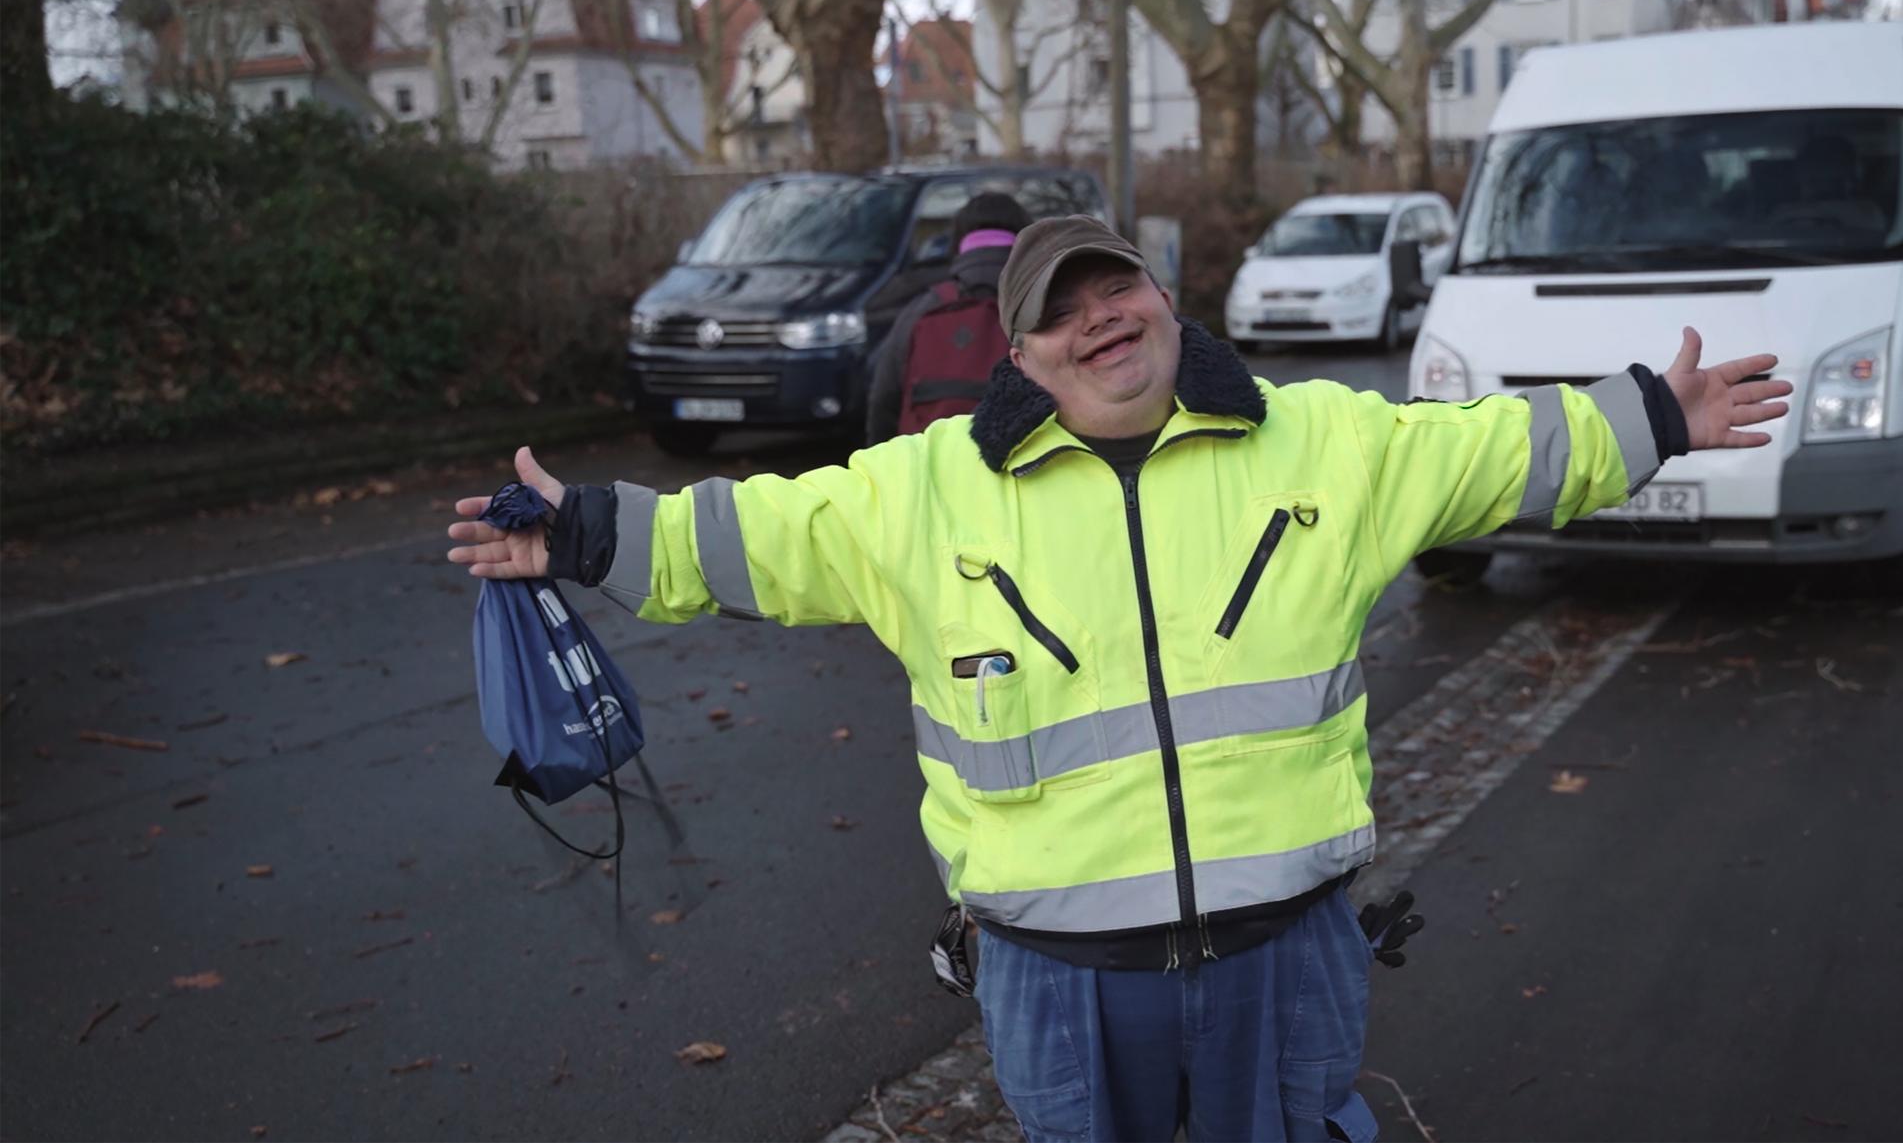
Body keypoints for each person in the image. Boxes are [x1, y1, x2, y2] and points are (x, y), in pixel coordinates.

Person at [449, 217, 1790, 1142]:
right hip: (1059, 979)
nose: (1097, 322)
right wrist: (580, 534)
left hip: (1287, 952)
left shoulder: (1321, 443)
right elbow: (746, 536)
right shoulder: (927, 492)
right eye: (1058, 312)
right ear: (1018, 353)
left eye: (1116, 292)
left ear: (1163, 299)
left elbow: (1494, 450)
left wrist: (1653, 416)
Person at [864, 191, 1033, 445]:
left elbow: (883, 398)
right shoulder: (1041, 307)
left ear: (958, 241)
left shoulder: (922, 308)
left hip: (929, 462)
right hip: (1021, 460)